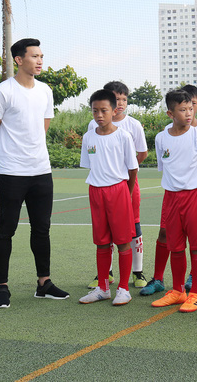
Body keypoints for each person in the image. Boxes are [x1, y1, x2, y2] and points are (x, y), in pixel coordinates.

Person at [0, 38, 69, 308]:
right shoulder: (2, 92)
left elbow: (41, 128)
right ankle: (1, 286)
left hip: (41, 171)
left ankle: (43, 283)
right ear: (19, 60)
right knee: (5, 230)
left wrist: (32, 155)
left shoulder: (45, 91)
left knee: (42, 229)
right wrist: (5, 158)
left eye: (42, 55)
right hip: (11, 173)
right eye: (34, 56)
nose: (40, 60)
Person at [140, 84, 197, 296]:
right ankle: (177, 291)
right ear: (170, 113)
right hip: (171, 197)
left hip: (195, 195)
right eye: (183, 110)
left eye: (190, 108)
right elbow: (165, 168)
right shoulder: (161, 138)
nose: (188, 113)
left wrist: (195, 186)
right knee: (176, 246)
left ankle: (196, 294)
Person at [86, 81, 149, 290]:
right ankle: (105, 277)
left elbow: (140, 155)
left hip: (125, 185)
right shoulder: (91, 130)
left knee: (132, 228)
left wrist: (121, 175)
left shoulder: (132, 126)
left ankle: (137, 273)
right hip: (100, 187)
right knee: (103, 235)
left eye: (124, 99)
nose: (120, 103)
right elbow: (91, 162)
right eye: (117, 98)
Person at [78, 89, 138, 306]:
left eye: (104, 110)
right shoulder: (88, 137)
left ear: (114, 110)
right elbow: (89, 166)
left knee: (123, 241)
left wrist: (126, 194)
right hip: (96, 191)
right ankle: (103, 287)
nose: (99, 115)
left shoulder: (123, 136)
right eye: (95, 111)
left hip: (119, 190)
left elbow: (132, 170)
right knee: (102, 242)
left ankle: (123, 288)